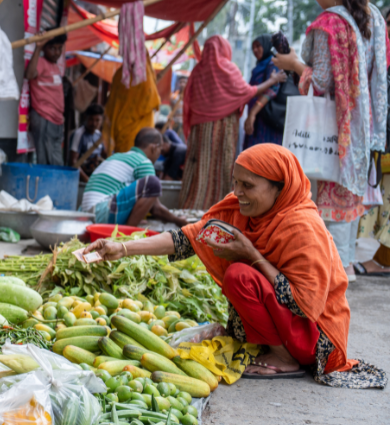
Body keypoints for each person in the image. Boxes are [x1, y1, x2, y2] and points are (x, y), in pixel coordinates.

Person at [80, 144, 386, 387]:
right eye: (235, 182)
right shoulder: (242, 211)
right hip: (290, 324)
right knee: (241, 273)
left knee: (240, 275)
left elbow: (305, 304)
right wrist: (121, 248)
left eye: (248, 185)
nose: (237, 192)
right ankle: (275, 347)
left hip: (315, 335)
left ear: (279, 188)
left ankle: (285, 358)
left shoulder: (302, 227)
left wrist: (251, 254)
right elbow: (188, 238)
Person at [273, 0, 388, 280]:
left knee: (326, 203)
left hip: (332, 130)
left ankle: (329, 278)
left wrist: (294, 64)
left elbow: (321, 81)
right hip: (364, 128)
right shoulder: (372, 17)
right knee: (348, 203)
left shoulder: (329, 24)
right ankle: (345, 266)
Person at [180, 36, 286, 210]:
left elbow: (188, 99)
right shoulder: (227, 68)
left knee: (199, 167)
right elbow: (246, 91)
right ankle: (220, 209)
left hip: (199, 129)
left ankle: (191, 206)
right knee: (221, 167)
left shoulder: (197, 70)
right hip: (223, 128)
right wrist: (272, 81)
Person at [81, 128, 189, 227]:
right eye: (160, 150)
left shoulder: (116, 157)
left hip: (84, 215)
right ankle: (127, 235)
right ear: (154, 148)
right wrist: (178, 221)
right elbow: (156, 209)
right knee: (153, 183)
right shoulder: (143, 161)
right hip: (100, 213)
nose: (158, 155)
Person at [356, 8, 390, 276]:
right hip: (382, 143)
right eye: (387, 23)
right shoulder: (379, 58)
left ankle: (380, 260)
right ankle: (377, 259)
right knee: (381, 202)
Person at [102, 56, 161, 154]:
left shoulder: (120, 74)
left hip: (121, 128)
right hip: (134, 132)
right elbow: (154, 101)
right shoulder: (145, 75)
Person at [25, 34, 68, 165]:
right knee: (46, 160)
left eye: (59, 48)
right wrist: (37, 48)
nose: (57, 52)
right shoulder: (41, 62)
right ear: (44, 48)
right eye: (52, 48)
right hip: (44, 117)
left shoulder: (55, 66)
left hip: (57, 120)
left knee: (55, 159)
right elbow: (30, 74)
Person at [243, 35, 287, 148]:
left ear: (267, 46)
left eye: (258, 46)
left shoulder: (273, 64)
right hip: (257, 120)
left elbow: (272, 90)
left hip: (266, 121)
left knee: (264, 157)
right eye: (253, 47)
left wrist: (252, 113)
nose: (255, 50)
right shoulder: (258, 68)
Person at [70, 104, 106, 181]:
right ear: (86, 118)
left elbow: (105, 154)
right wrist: (87, 180)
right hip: (84, 177)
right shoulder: (79, 134)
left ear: (101, 120)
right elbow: (73, 162)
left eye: (97, 120)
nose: (94, 123)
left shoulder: (100, 135)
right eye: (91, 119)